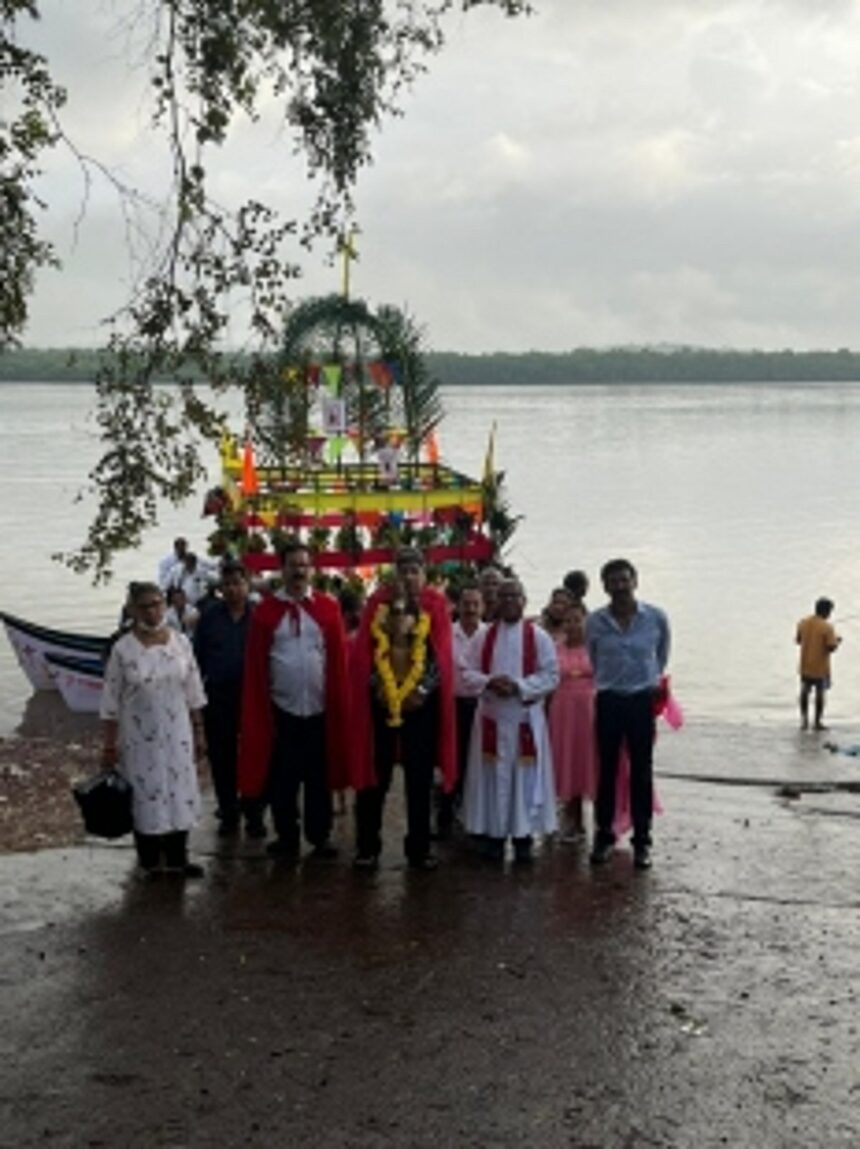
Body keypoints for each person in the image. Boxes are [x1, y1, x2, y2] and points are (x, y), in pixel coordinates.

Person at [238, 542, 349, 862]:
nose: (299, 571)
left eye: (304, 565)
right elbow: (257, 663)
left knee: (318, 777)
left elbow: (336, 659)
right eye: (292, 565)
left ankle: (320, 836)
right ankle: (286, 835)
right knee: (283, 778)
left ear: (311, 569)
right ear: (282, 569)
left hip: (318, 709)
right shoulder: (265, 613)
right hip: (282, 709)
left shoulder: (328, 608)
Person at [350, 547, 456, 870]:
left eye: (414, 570)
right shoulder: (376, 603)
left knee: (419, 779)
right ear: (393, 573)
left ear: (424, 573)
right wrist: (379, 688)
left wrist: (421, 690)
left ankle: (419, 849)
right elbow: (363, 655)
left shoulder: (435, 604)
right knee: (375, 778)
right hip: (381, 704)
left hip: (420, 705)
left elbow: (442, 655)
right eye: (403, 570)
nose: (408, 577)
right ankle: (368, 847)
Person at [99, 581, 207, 878]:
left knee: (179, 791)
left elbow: (194, 691)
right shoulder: (123, 650)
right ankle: (149, 861)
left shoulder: (180, 643)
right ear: (133, 609)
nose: (152, 611)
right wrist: (109, 745)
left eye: (158, 604)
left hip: (178, 733)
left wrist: (199, 733)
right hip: (139, 736)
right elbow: (110, 702)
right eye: (145, 606)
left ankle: (178, 858)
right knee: (146, 793)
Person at [462, 577, 559, 863]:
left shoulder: (539, 637)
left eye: (514, 596)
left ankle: (522, 837)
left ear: (524, 601)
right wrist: (490, 682)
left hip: (523, 718)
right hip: (492, 717)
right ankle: (493, 835)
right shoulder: (483, 636)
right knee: (491, 778)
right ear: (495, 602)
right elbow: (465, 670)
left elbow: (551, 675)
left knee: (524, 779)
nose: (508, 602)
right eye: (503, 596)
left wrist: (518, 686)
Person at [586, 558, 670, 870]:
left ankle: (643, 842)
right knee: (606, 771)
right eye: (613, 581)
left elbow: (661, 656)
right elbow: (593, 659)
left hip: (640, 701)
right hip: (608, 700)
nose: (620, 587)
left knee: (641, 772)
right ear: (605, 586)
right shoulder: (595, 622)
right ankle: (604, 836)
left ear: (635, 581)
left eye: (624, 580)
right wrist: (611, 682)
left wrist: (645, 683)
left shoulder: (656, 618)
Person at [193, 561, 262, 837]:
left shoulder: (258, 617)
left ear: (248, 585)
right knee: (222, 757)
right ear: (220, 588)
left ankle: (255, 812)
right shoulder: (209, 617)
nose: (233, 589)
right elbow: (197, 660)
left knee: (254, 755)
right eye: (228, 584)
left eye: (238, 583)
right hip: (218, 697)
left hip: (252, 697)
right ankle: (229, 811)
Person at [437, 582, 486, 838]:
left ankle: (474, 812)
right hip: (453, 705)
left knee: (477, 760)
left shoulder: (489, 634)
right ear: (458, 607)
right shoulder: (447, 633)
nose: (470, 609)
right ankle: (446, 810)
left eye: (475, 604)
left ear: (483, 607)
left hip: (480, 706)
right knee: (451, 757)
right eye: (466, 604)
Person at [547, 603, 596, 841]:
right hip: (562, 711)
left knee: (589, 762)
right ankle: (571, 820)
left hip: (589, 711)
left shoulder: (596, 648)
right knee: (568, 763)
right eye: (568, 621)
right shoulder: (554, 649)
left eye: (577, 620)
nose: (573, 625)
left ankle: (598, 821)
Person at [796, 598, 842, 731]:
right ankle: (817, 722)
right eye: (830, 611)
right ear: (827, 611)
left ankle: (804, 721)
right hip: (820, 668)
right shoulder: (827, 627)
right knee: (820, 694)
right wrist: (837, 641)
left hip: (805, 665)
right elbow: (831, 647)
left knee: (804, 691)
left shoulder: (803, 623)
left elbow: (799, 640)